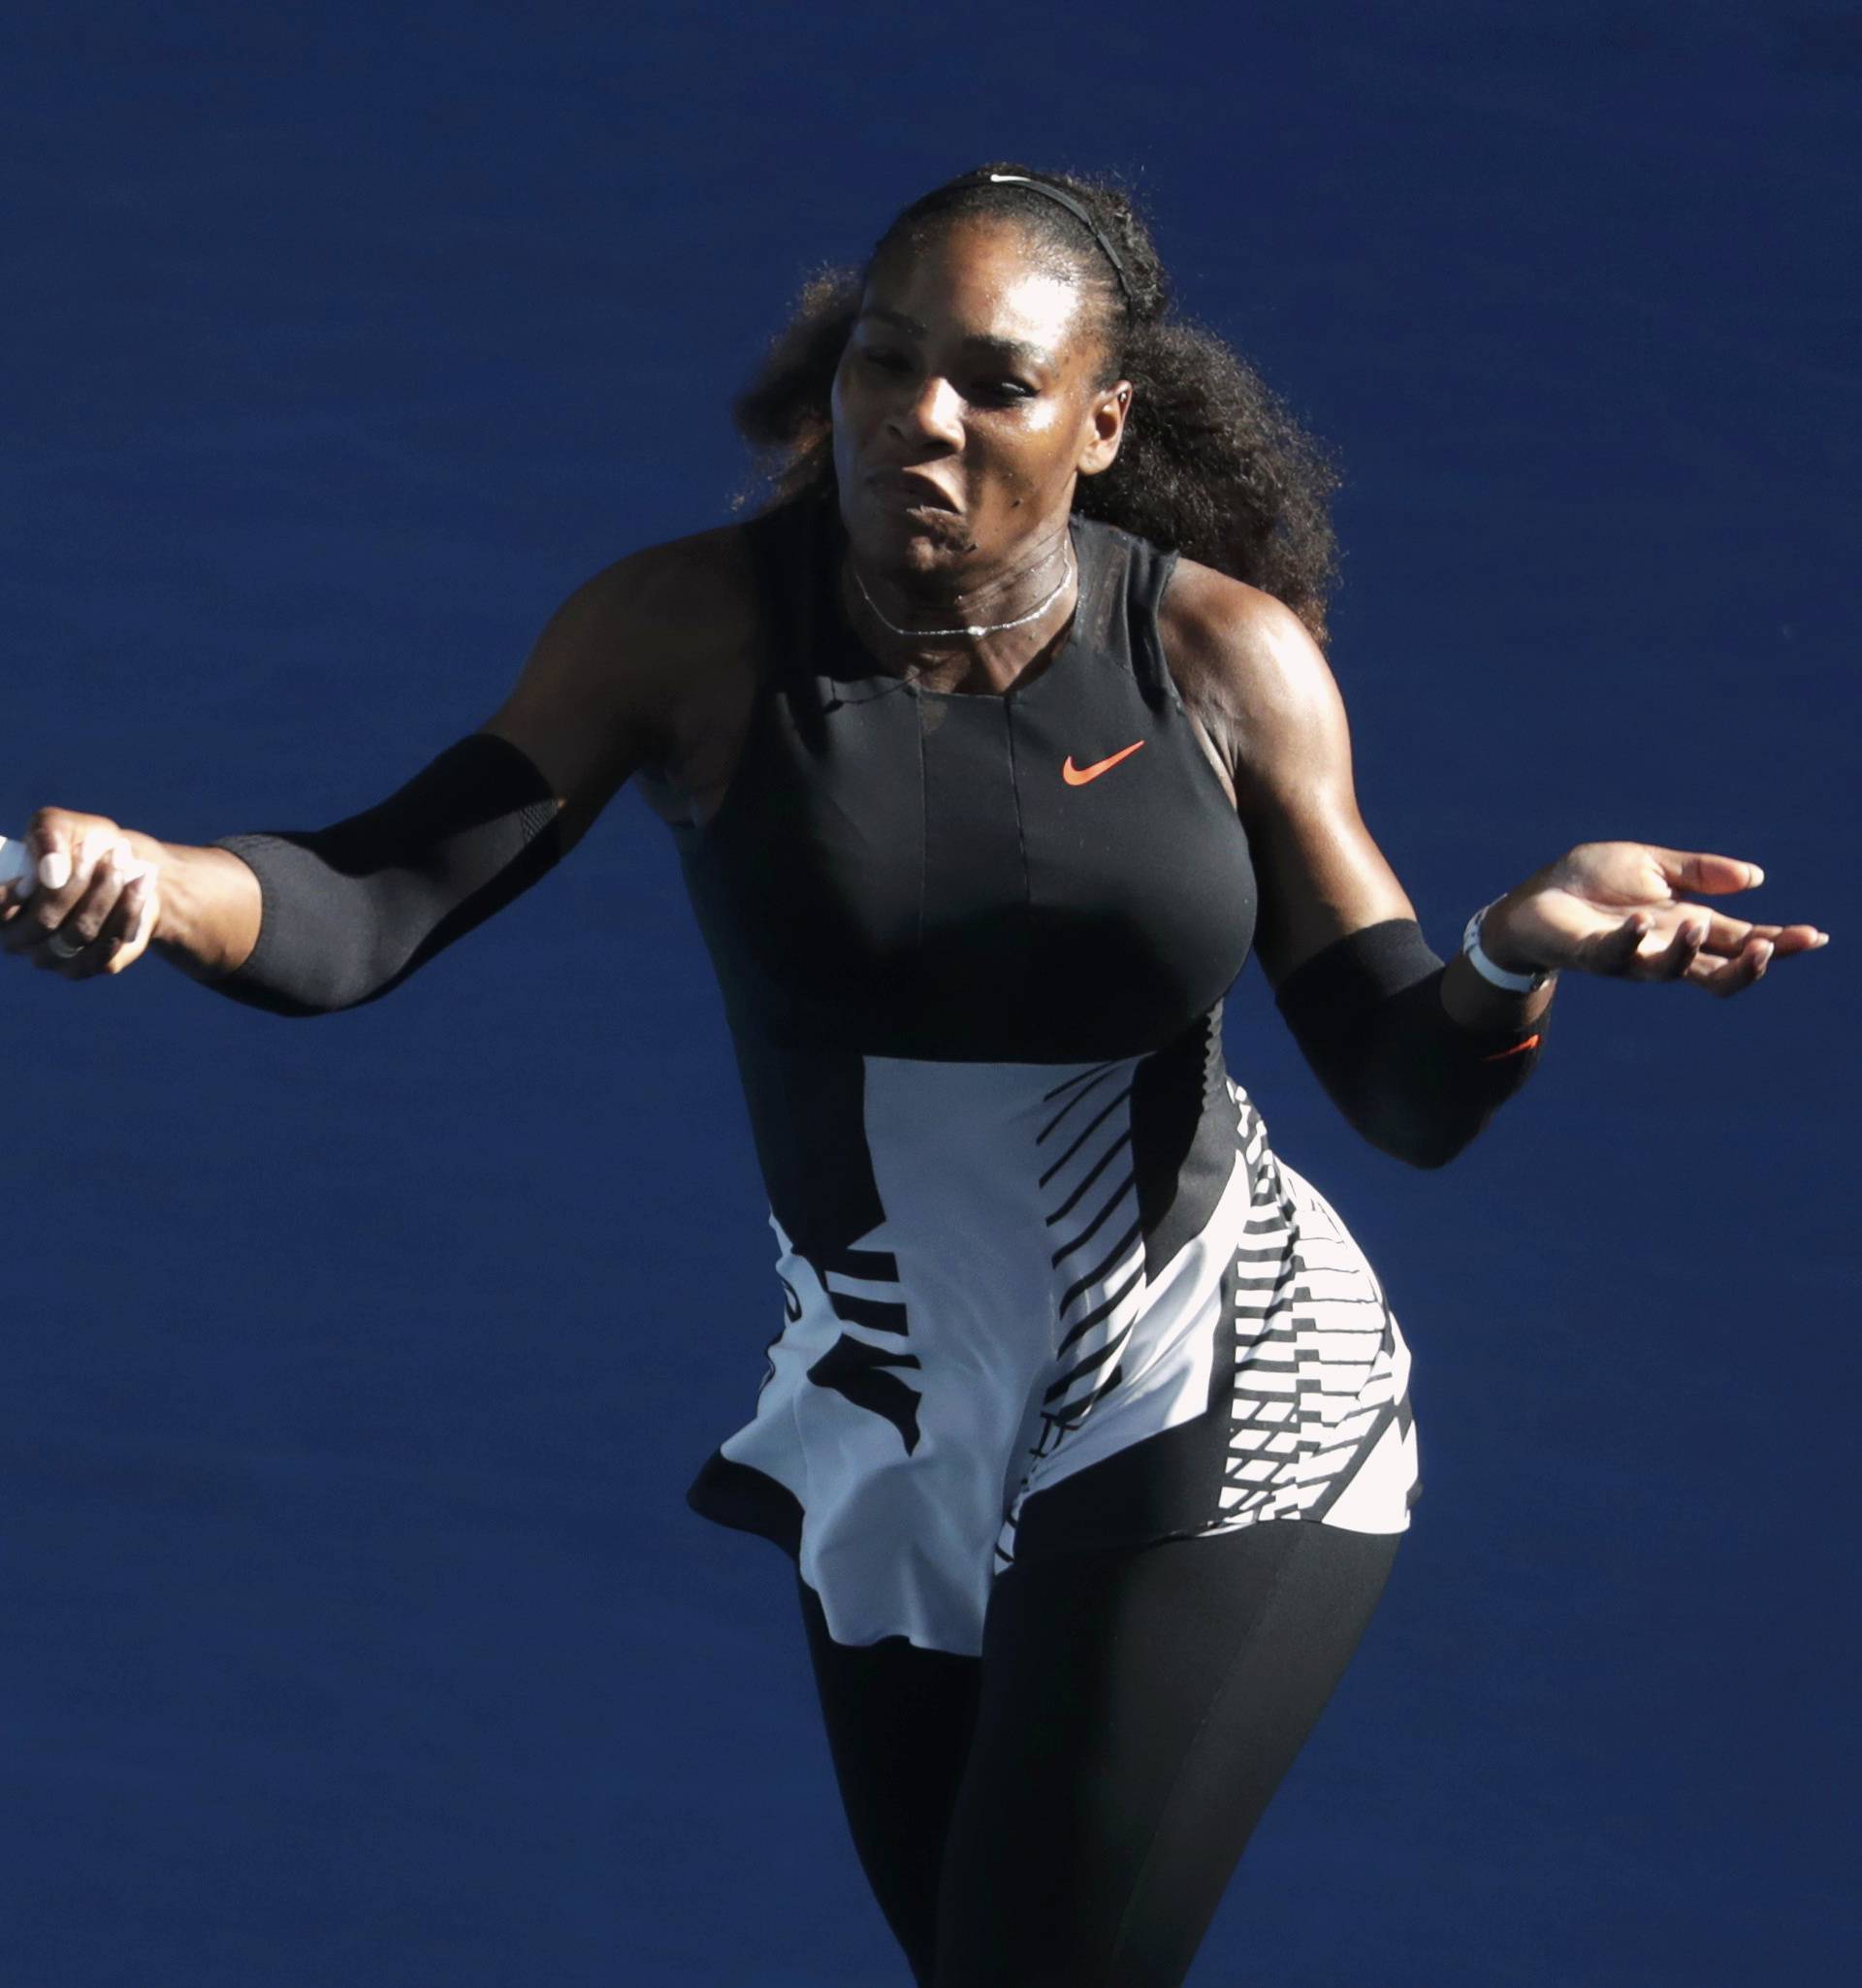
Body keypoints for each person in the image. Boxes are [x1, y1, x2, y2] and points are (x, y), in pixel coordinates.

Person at [2, 162, 1827, 1986]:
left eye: (994, 383)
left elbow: (1400, 1080)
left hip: (1216, 1368)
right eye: (882, 365)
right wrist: (158, 887)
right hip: (894, 1413)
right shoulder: (689, 630)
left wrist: (1511, 953)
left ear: (1103, 423)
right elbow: (374, 898)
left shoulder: (1218, 657)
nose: (918, 420)